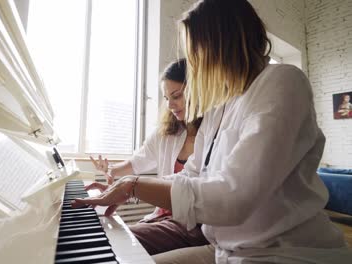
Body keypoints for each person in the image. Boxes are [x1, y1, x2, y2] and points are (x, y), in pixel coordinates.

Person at [74, 0, 352, 263]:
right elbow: (192, 175)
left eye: (195, 53)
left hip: (285, 253)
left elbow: (234, 196)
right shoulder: (222, 105)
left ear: (223, 44)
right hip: (225, 250)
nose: (193, 65)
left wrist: (132, 185)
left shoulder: (283, 82)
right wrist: (127, 186)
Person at [89, 59, 208, 255]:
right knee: (111, 236)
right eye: (166, 97)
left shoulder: (212, 133)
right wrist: (111, 170)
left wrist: (131, 188)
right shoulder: (167, 133)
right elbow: (137, 162)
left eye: (176, 96)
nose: (170, 104)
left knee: (114, 243)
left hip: (191, 224)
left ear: (197, 91)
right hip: (163, 217)